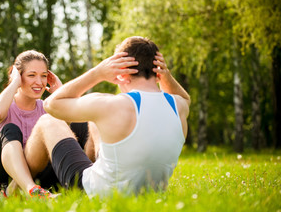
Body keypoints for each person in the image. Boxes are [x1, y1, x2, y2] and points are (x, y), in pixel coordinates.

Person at [26, 36, 191, 197]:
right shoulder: (178, 106)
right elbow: (185, 97)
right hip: (149, 194)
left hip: (95, 193)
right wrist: (166, 75)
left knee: (48, 121)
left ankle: (19, 186)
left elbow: (51, 105)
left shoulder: (112, 105)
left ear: (121, 72)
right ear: (158, 70)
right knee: (96, 123)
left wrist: (97, 73)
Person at [0, 50, 91, 198]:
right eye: (31, 75)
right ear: (17, 76)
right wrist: (15, 82)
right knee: (10, 129)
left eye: (43, 76)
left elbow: (74, 125)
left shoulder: (47, 108)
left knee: (79, 124)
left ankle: (95, 180)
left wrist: (60, 92)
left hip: (42, 180)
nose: (39, 82)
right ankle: (28, 190)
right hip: (4, 185)